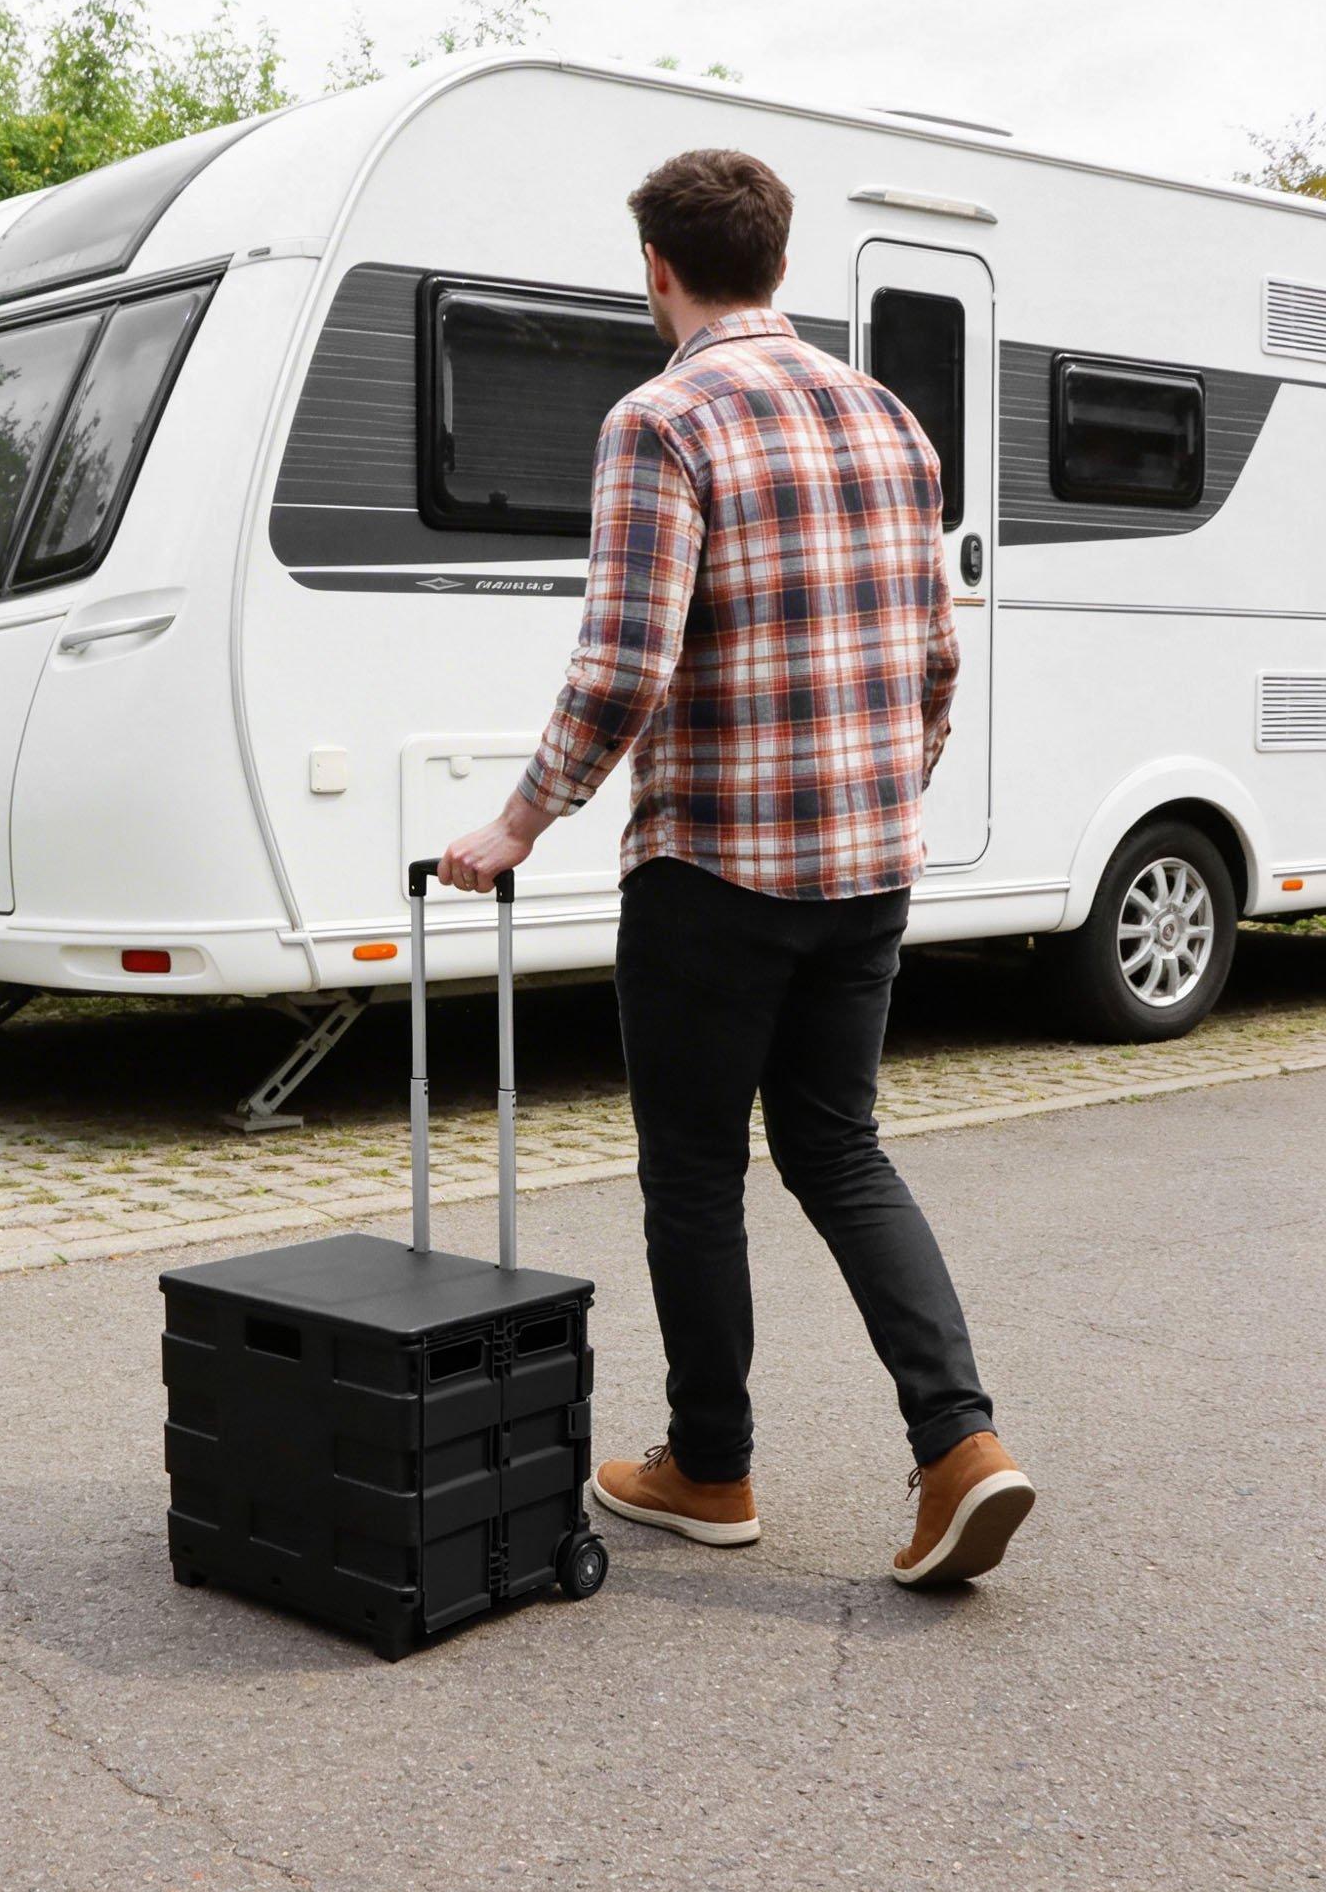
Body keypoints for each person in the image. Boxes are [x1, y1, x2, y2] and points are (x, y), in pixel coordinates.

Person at [439, 149, 1034, 1587]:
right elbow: (937, 660)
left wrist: (518, 823)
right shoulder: (891, 417)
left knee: (695, 1174)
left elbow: (624, 665)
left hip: (714, 868)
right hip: (868, 865)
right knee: (838, 1147)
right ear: (778, 259)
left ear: (661, 269)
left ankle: (711, 1467)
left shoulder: (661, 418)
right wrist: (886, 795)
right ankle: (963, 1443)